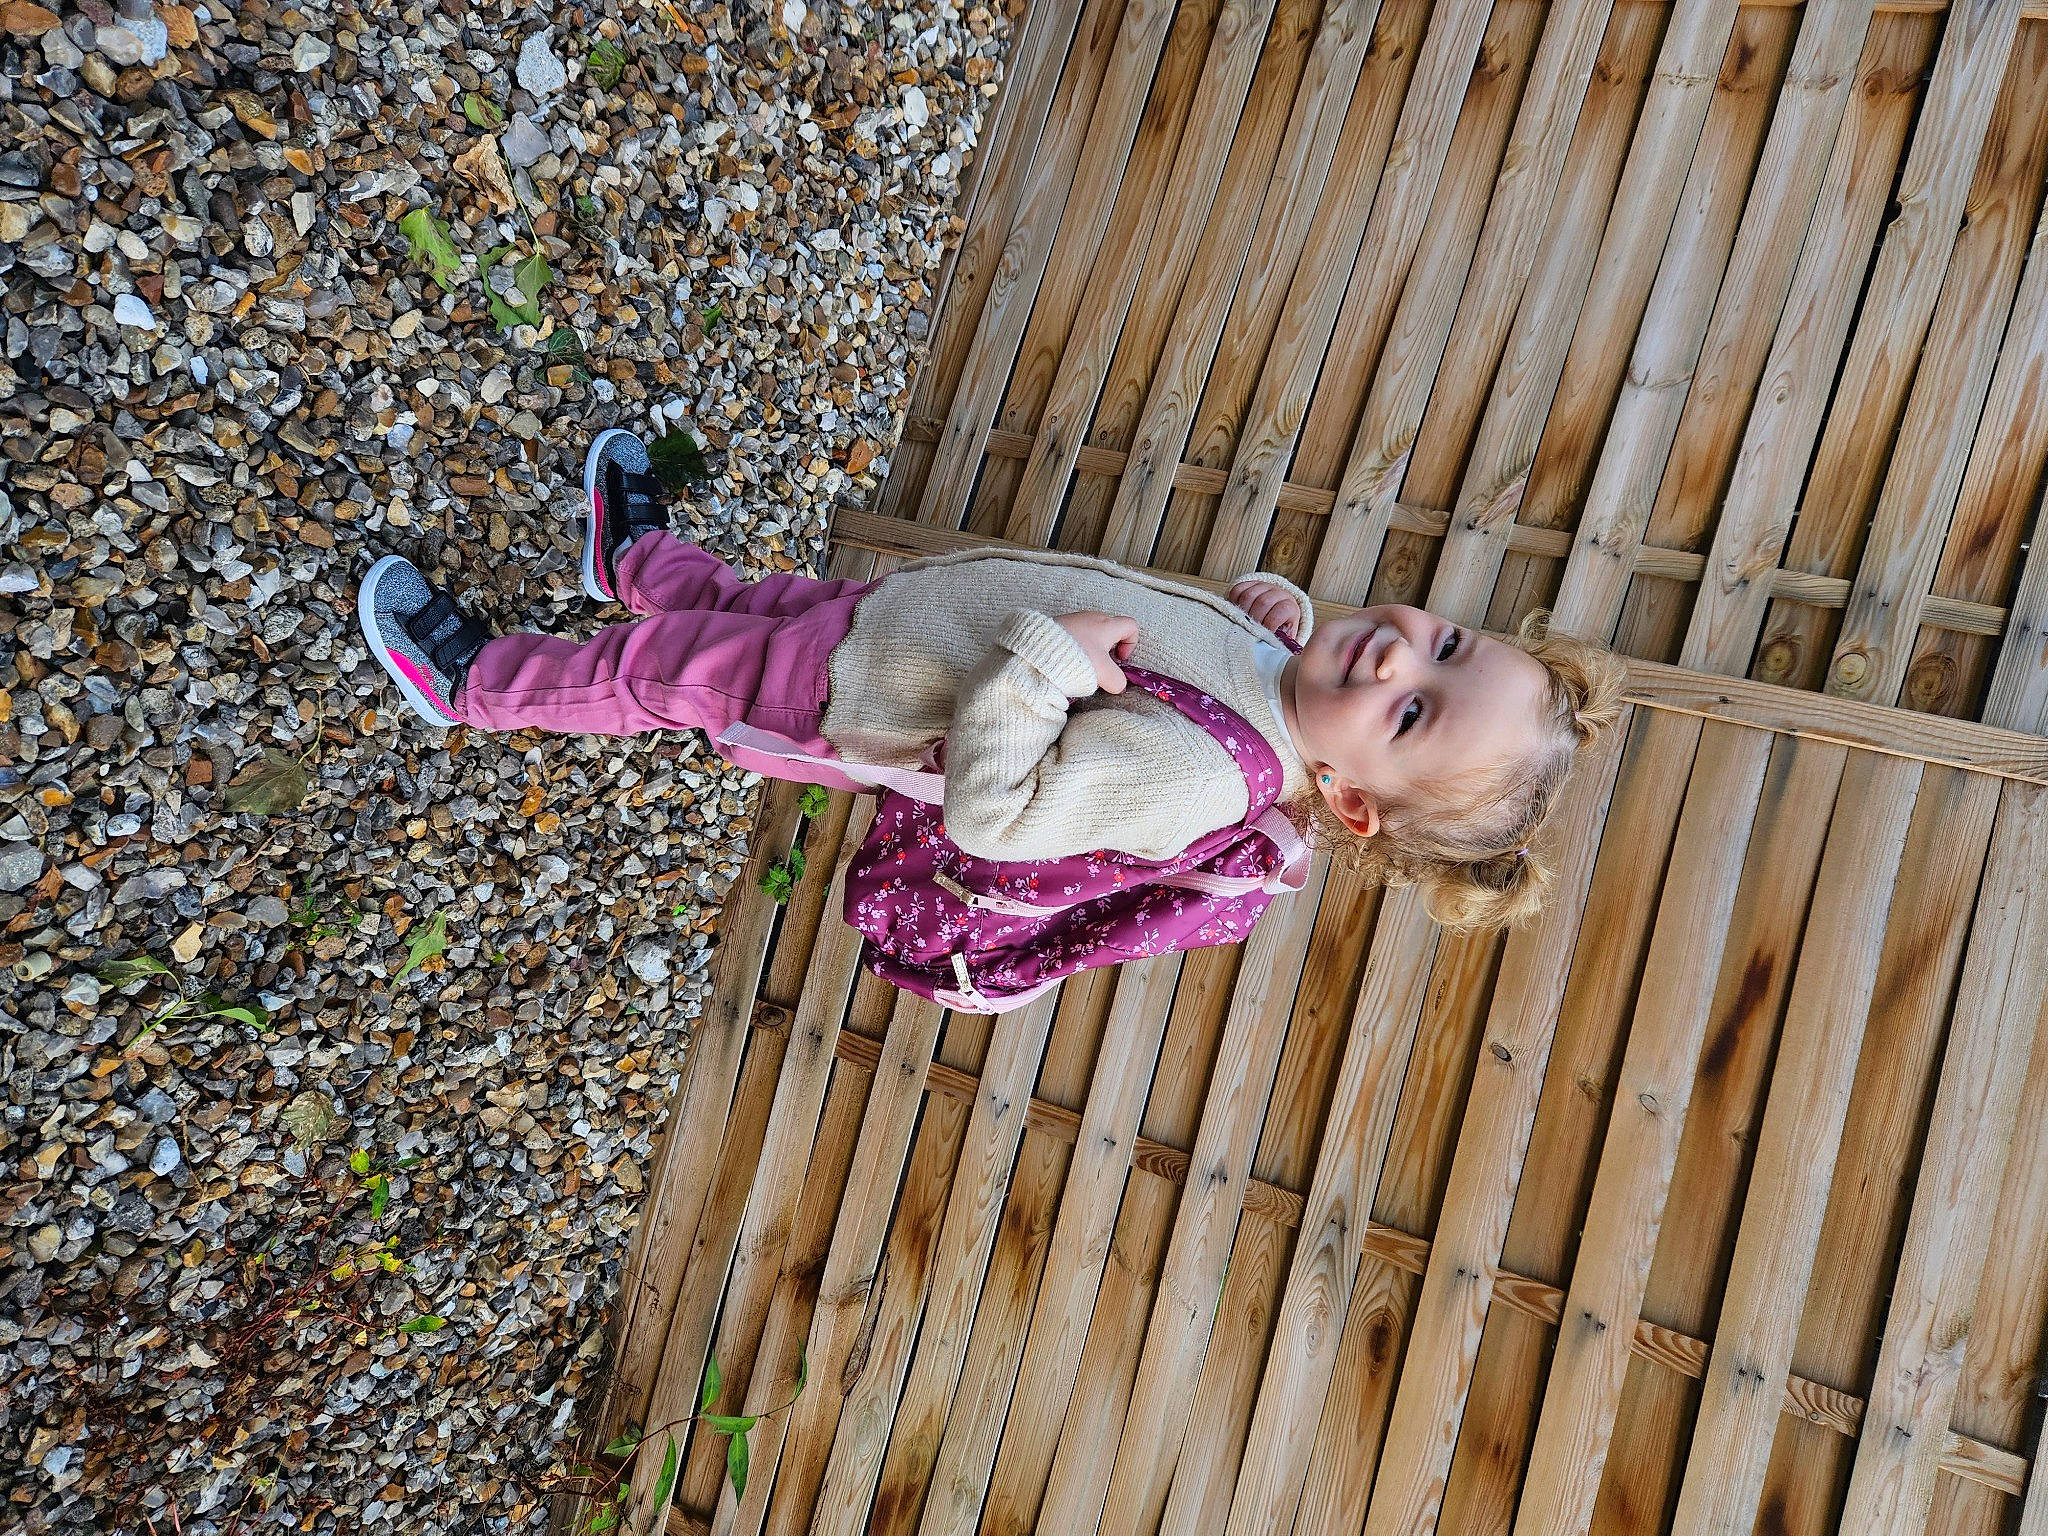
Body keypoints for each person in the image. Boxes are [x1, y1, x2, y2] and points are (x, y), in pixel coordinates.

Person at [357, 428, 1625, 929]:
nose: (1402, 651)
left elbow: (996, 816)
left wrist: (1042, 672)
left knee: (661, 676)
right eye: (1447, 643)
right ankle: (638, 559)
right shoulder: (1286, 672)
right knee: (744, 603)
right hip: (886, 625)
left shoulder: (1195, 779)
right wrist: (1263, 617)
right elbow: (1183, 644)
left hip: (849, 700)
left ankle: (479, 683)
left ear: (1349, 800)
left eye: (1410, 710)